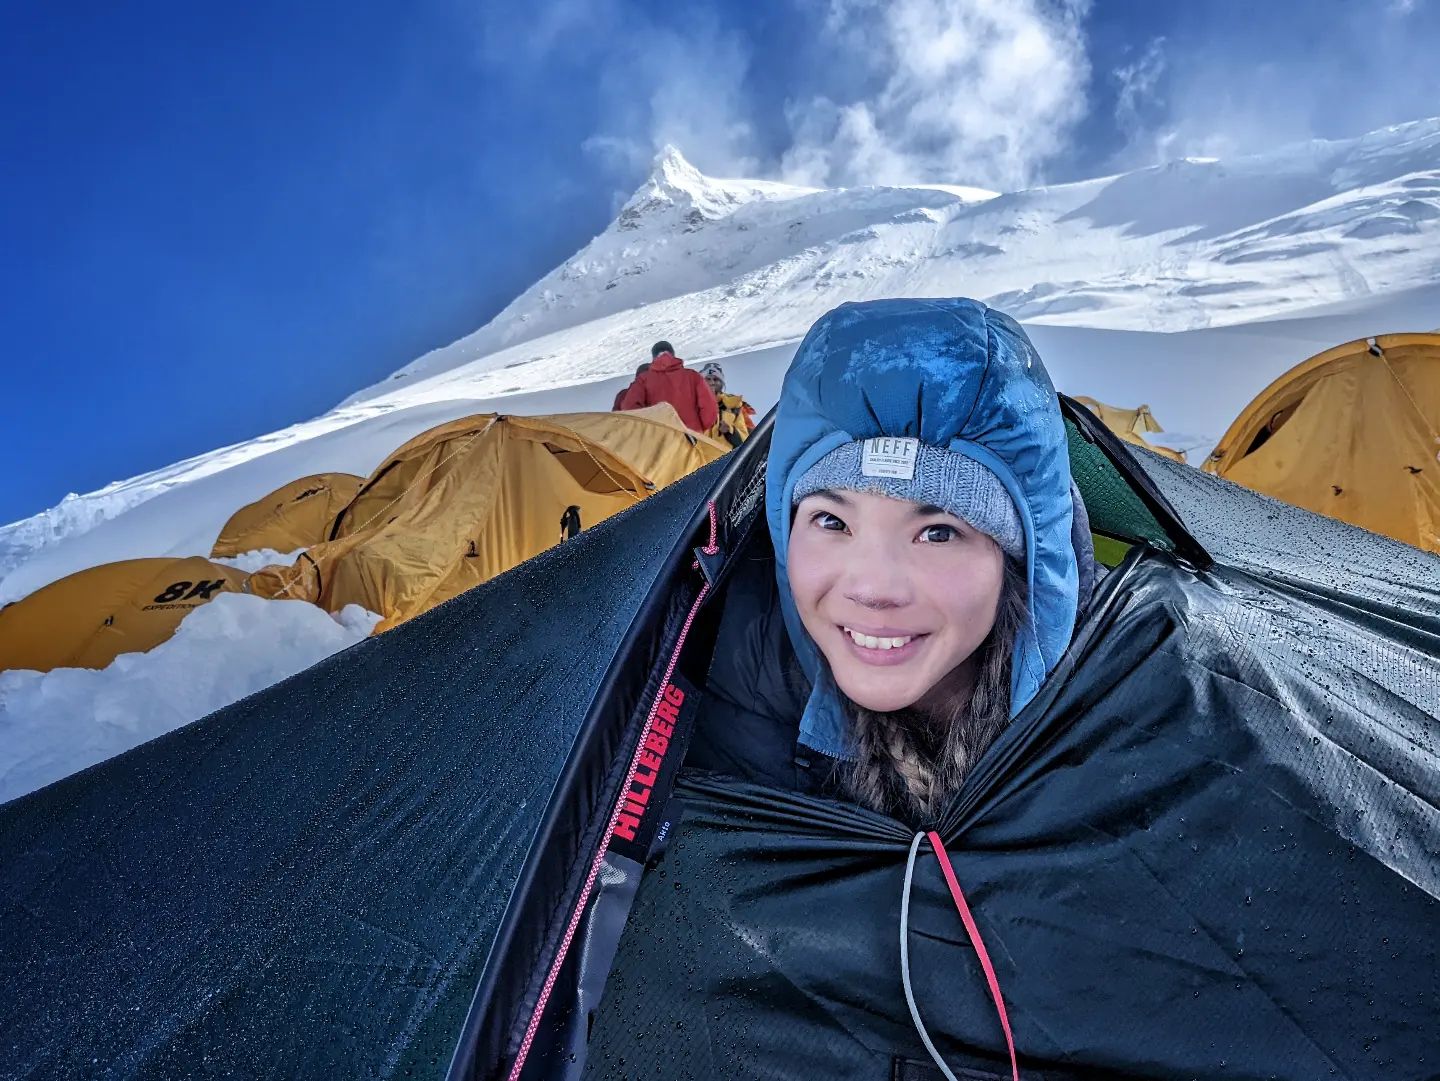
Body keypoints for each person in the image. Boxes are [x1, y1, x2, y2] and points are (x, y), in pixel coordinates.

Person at [691, 297, 1093, 825]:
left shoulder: (1130, 730)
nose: (875, 588)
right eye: (833, 522)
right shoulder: (697, 699)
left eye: (938, 532)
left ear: (1022, 564)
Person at [618, 341, 718, 433]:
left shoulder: (643, 379)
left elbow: (630, 407)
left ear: (653, 357)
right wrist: (700, 428)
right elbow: (709, 407)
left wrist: (646, 430)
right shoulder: (693, 376)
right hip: (691, 437)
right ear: (673, 354)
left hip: (659, 439)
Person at [699, 362, 756, 448]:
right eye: (708, 379)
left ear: (721, 383)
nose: (712, 382)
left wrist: (730, 431)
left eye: (716, 379)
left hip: (727, 459)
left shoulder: (734, 406)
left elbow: (749, 441)